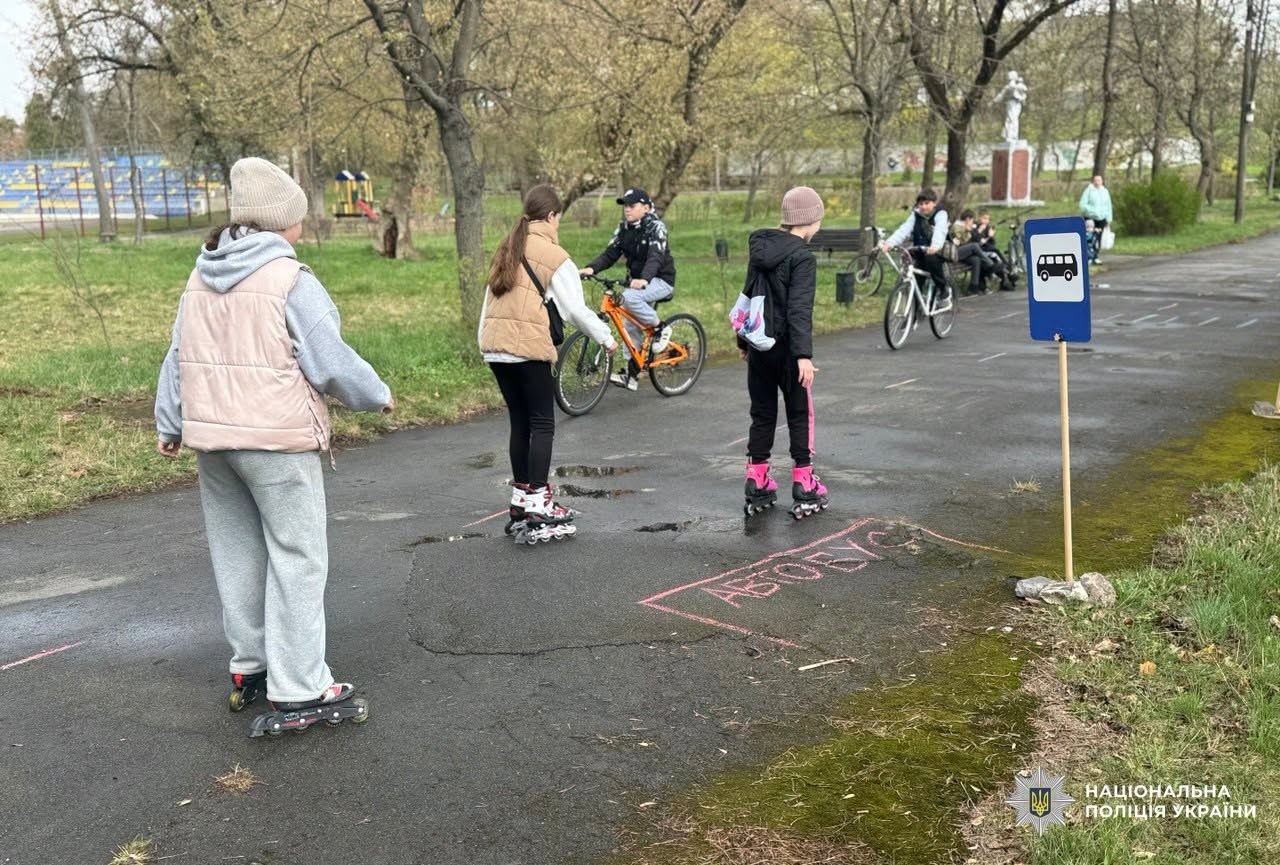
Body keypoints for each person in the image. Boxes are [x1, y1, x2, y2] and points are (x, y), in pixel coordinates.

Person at [154, 156, 393, 727]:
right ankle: (300, 685)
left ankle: (251, 665)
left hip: (213, 441)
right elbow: (329, 360)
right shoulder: (290, 280)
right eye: (298, 217)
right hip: (275, 444)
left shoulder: (201, 274)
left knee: (237, 553)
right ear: (281, 221)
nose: (302, 227)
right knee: (298, 556)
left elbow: (178, 357)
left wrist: (170, 421)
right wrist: (375, 393)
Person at [479, 184, 617, 544]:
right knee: (542, 423)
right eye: (559, 219)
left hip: (495, 348)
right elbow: (574, 311)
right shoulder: (555, 257)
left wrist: (484, 343)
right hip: (526, 348)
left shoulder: (508, 245)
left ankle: (522, 497)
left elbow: (487, 300)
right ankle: (540, 502)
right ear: (553, 216)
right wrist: (605, 337)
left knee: (520, 422)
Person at [740, 186, 829, 520]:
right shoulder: (803, 257)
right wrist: (803, 355)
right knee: (798, 412)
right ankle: (804, 481)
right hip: (789, 351)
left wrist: (743, 342)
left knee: (762, 412)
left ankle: (757, 476)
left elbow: (748, 296)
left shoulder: (760, 247)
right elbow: (799, 309)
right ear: (810, 220)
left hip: (760, 345)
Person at [580, 188, 676, 392]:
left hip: (660, 280)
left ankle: (661, 328)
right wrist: (591, 268)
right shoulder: (624, 228)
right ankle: (631, 375)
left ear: (647, 207)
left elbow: (655, 257)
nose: (627, 209)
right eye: (625, 205)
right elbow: (610, 254)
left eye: (632, 205)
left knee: (627, 299)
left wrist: (644, 279)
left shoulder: (656, 227)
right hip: (637, 282)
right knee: (629, 323)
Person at [881, 188, 951, 306]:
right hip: (920, 250)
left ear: (934, 203)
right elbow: (904, 230)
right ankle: (912, 314)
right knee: (911, 270)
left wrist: (935, 246)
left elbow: (940, 230)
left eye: (927, 203)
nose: (923, 207)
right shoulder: (916, 215)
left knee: (931, 260)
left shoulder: (941, 214)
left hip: (937, 252)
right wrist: (890, 243)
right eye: (921, 204)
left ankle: (944, 291)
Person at [1079, 175, 1113, 264]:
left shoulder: (1105, 191)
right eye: (1096, 180)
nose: (1097, 182)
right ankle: (1089, 256)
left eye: (1099, 180)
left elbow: (1108, 206)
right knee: (1090, 238)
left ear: (1102, 181)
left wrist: (1109, 219)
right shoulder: (1088, 191)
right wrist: (1091, 211)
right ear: (1093, 181)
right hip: (1090, 218)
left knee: (1098, 238)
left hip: (1102, 219)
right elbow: (1082, 204)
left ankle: (1096, 256)